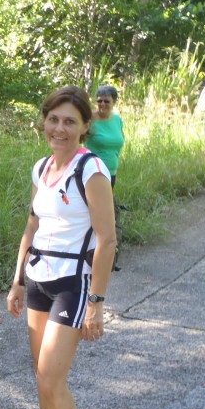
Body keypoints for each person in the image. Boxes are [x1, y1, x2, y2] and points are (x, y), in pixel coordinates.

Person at [5, 86, 116, 409]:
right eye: (53, 119)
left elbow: (107, 240)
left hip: (73, 282)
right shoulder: (42, 168)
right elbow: (31, 227)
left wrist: (97, 302)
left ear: (86, 126)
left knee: (52, 377)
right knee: (41, 375)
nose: (59, 128)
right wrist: (17, 281)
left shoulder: (91, 170)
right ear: (44, 121)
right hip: (38, 279)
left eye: (70, 121)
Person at [85, 84, 124, 270]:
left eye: (106, 101)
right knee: (97, 214)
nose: (102, 104)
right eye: (99, 101)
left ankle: (107, 255)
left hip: (111, 174)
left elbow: (119, 142)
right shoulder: (90, 120)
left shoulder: (117, 120)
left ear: (114, 102)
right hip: (94, 175)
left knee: (106, 214)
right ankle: (93, 256)